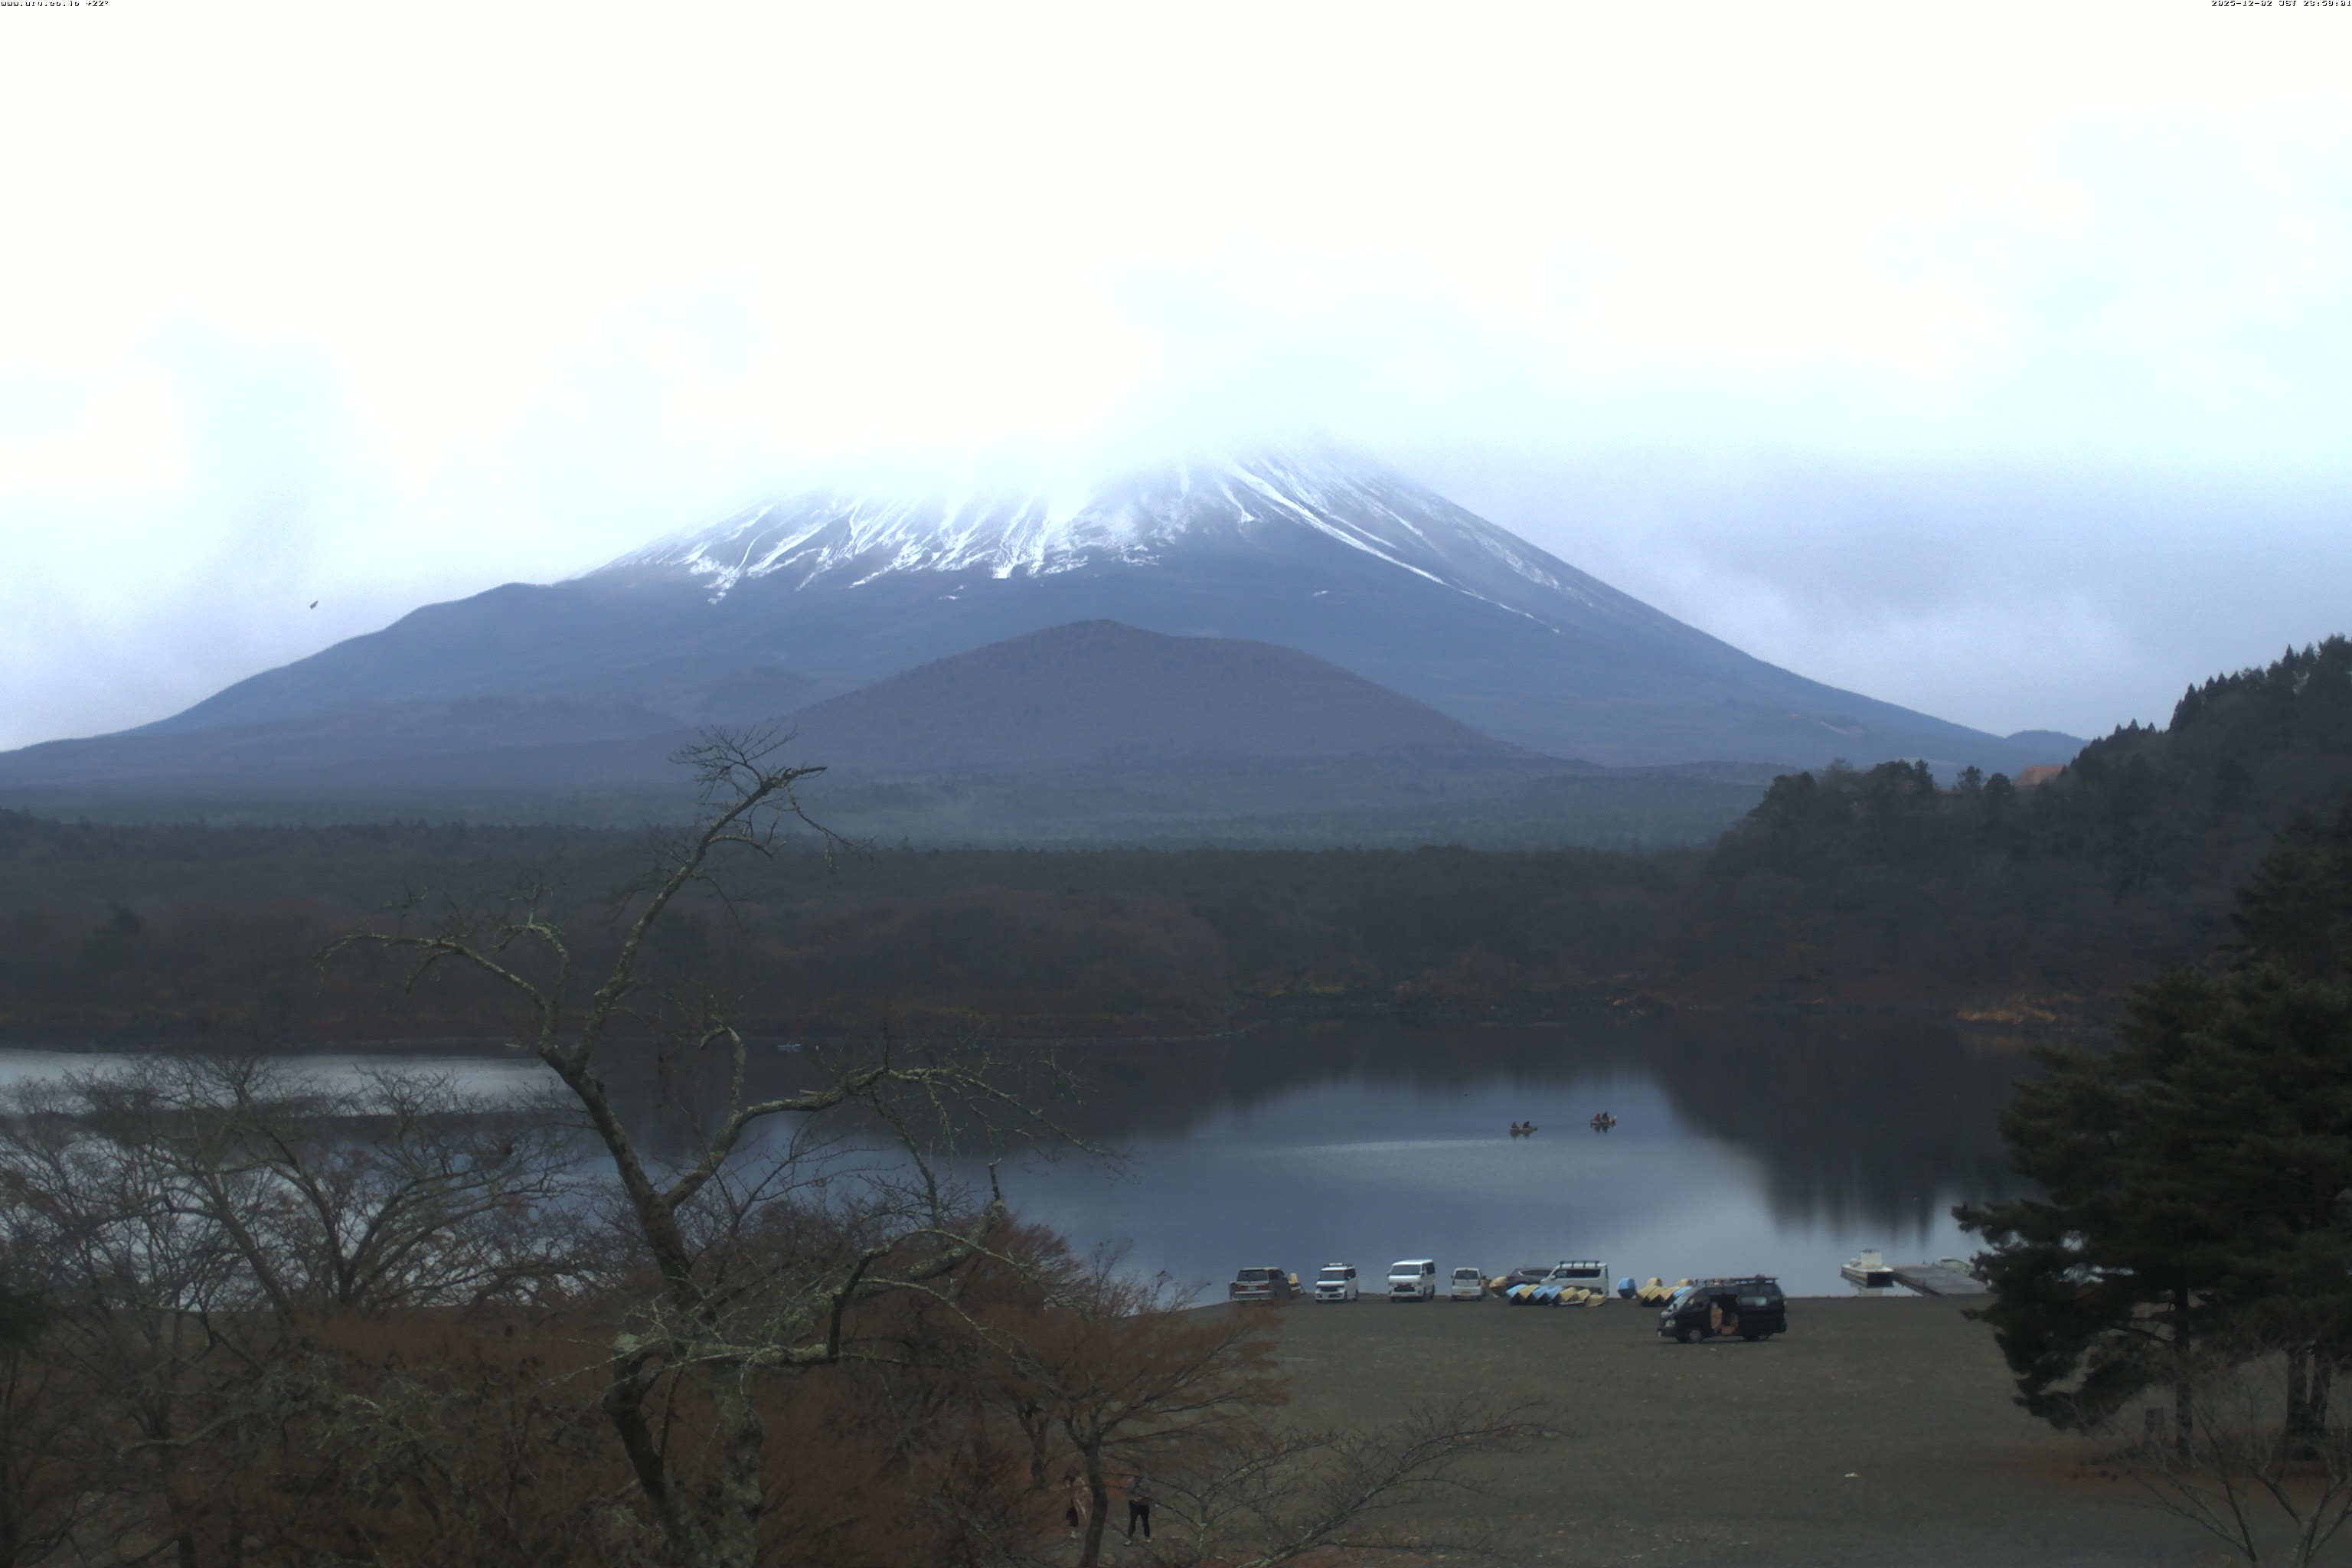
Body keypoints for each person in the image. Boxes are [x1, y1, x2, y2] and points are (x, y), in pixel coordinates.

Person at [1126, 1473, 1153, 1543]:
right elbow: (1128, 1493)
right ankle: (1129, 1538)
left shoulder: (1147, 1482)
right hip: (1134, 1505)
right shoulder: (1130, 1482)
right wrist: (1133, 1498)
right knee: (1132, 1521)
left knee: (1145, 1521)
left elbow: (1150, 1493)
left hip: (1144, 1505)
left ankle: (1147, 1537)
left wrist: (1142, 1497)